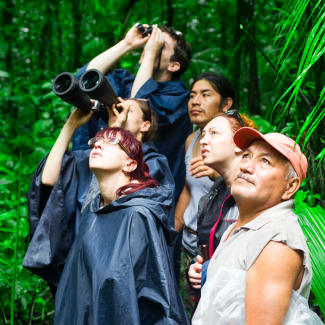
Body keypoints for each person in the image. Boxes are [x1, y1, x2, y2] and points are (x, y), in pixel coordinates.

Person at [23, 108, 190, 324]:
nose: (97, 144)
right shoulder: (94, 212)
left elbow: (150, 299)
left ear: (130, 164)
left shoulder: (138, 216)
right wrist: (72, 124)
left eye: (111, 141)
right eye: (96, 141)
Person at [192, 128, 323, 324]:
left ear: (290, 187)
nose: (246, 167)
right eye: (246, 156)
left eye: (265, 161)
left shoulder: (277, 241)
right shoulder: (248, 225)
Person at [73, 24, 192, 200]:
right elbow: (83, 80)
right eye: (151, 43)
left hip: (144, 196)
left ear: (174, 65)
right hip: (100, 185)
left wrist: (151, 54)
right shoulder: (126, 81)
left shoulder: (179, 97)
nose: (152, 45)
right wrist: (127, 44)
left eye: (161, 45)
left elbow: (136, 109)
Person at [173, 72, 236, 313]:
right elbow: (189, 191)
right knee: (194, 310)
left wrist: (218, 173)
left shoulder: (240, 139)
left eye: (205, 95)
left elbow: (252, 190)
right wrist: (172, 234)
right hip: (190, 245)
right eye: (192, 96)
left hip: (221, 245)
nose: (195, 101)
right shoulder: (192, 140)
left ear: (226, 104)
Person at [187, 111, 256, 297]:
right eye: (203, 134)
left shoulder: (255, 193)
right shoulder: (212, 196)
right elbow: (203, 250)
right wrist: (195, 269)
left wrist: (211, 270)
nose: (203, 141)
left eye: (214, 133)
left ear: (238, 143)